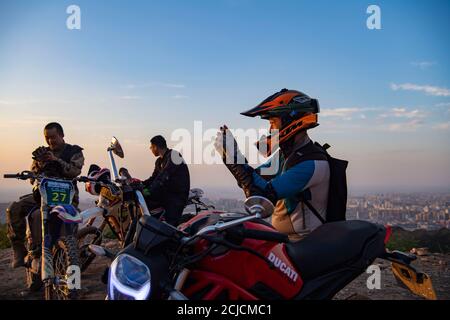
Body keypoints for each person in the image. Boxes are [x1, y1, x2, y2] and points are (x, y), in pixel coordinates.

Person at [215, 89, 330, 240]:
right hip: (283, 238)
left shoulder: (312, 163)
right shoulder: (286, 156)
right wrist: (233, 157)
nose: (271, 129)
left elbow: (261, 195)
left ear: (291, 120)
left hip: (302, 243)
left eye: (273, 122)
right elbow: (251, 179)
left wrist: (234, 159)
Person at [6, 122, 85, 268]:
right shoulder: (42, 153)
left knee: (55, 219)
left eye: (53, 137)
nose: (50, 141)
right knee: (14, 208)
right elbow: (32, 178)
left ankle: (67, 257)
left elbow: (74, 171)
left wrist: (56, 160)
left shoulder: (74, 151)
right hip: (43, 194)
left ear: (61, 135)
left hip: (66, 196)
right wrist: (40, 164)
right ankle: (19, 250)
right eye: (47, 138)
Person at [142, 135, 190, 226]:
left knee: (170, 226)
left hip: (176, 197)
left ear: (155, 147)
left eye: (151, 147)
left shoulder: (174, 156)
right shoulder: (159, 161)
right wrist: (140, 184)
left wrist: (149, 190)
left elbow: (164, 176)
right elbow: (154, 178)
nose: (150, 149)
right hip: (166, 195)